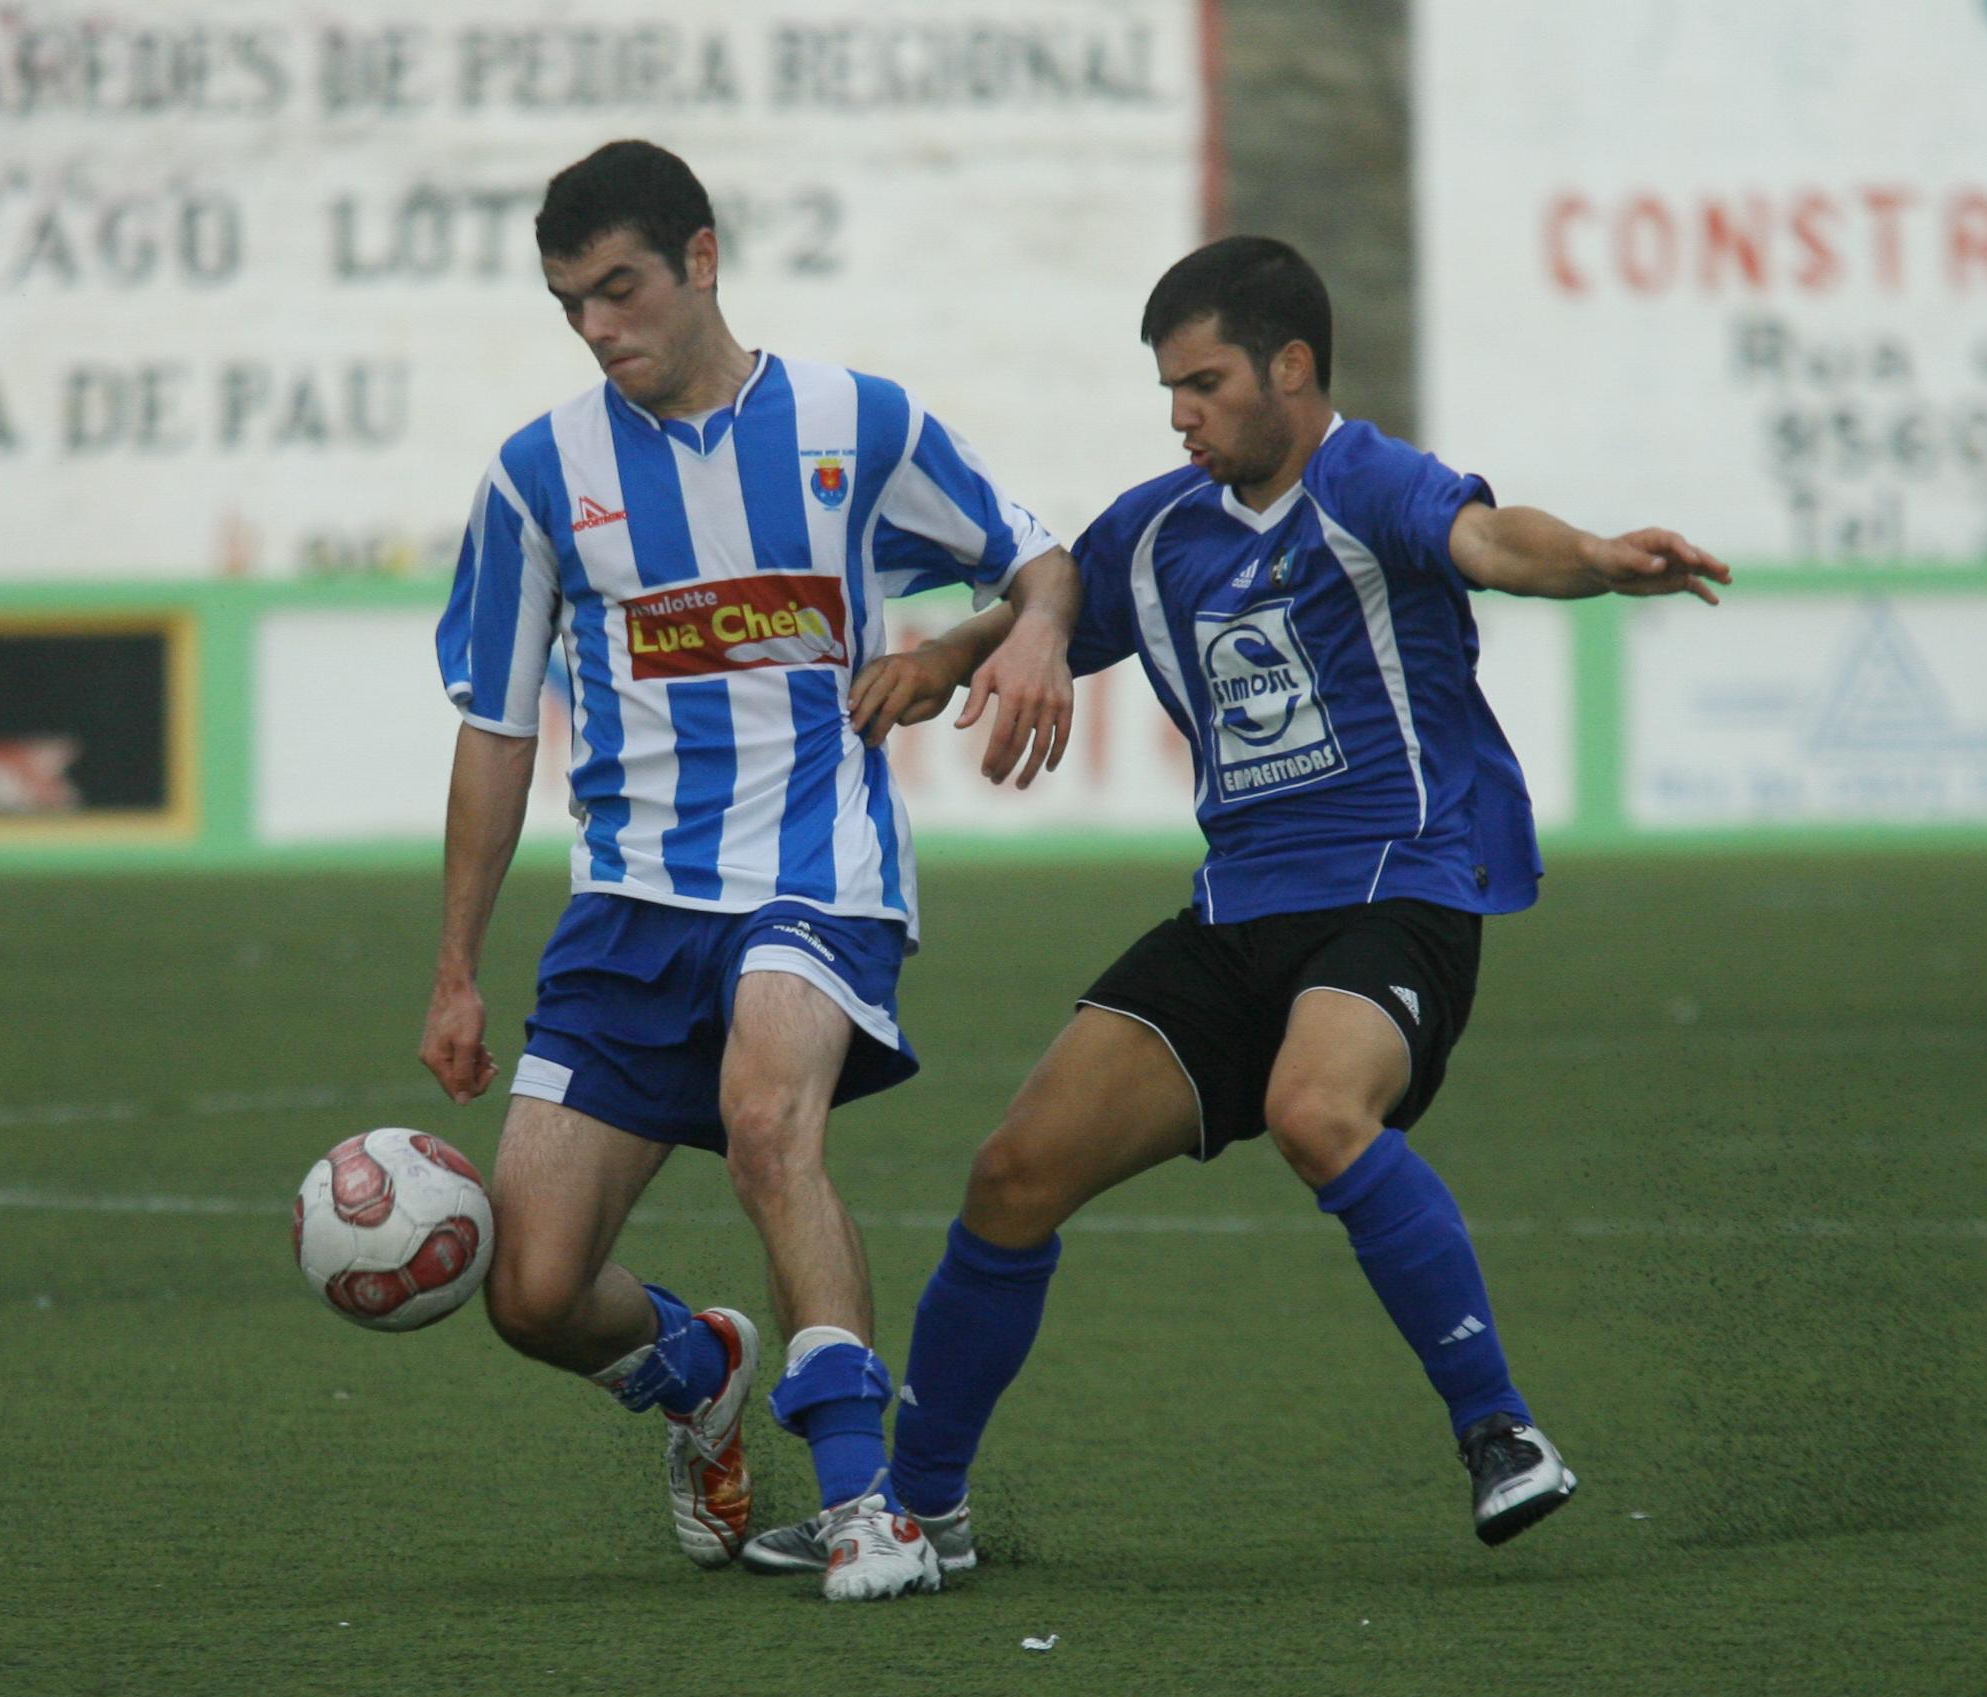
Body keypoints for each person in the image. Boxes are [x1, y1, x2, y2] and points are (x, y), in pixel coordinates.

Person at [741, 234, 1731, 1576]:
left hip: (1395, 890)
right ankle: (921, 1510)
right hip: (1235, 916)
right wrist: (954, 656)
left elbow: (1493, 538)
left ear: (1292, 367)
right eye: (1168, 389)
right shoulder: (1160, 529)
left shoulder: (1366, 482)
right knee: (1012, 1175)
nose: (1181, 415)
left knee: (1315, 1111)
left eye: (1203, 384)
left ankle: (1499, 1429)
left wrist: (1599, 556)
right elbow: (1052, 597)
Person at [420, 139, 1081, 1602]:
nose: (597, 327)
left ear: (702, 260)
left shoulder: (857, 422)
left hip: (812, 870)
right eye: (570, 304)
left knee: (768, 1124)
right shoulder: (537, 476)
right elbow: (495, 727)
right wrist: (457, 968)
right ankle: (698, 1366)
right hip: (629, 902)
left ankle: (864, 1504)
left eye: (621, 288)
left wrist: (1016, 636)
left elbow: (1037, 561)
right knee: (530, 1290)